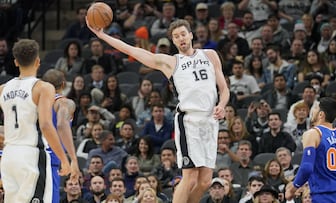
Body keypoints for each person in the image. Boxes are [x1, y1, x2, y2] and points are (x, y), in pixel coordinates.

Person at [86, 18, 229, 203]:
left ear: (191, 35)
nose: (181, 38)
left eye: (183, 34)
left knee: (205, 181)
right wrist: (102, 35)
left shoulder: (210, 55)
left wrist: (222, 106)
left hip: (210, 121)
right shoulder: (170, 62)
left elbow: (224, 89)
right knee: (190, 176)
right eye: (176, 37)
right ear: (173, 41)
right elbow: (132, 50)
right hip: (189, 121)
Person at [0, 39, 70, 202]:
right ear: (38, 61)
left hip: (9, 155)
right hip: (31, 154)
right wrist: (63, 158)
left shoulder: (3, 89)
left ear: (16, 62)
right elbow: (46, 125)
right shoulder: (43, 88)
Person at [285, 97, 336, 203]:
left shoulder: (313, 133)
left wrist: (292, 189)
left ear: (321, 114)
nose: (312, 112)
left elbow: (306, 168)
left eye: (315, 108)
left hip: (323, 195)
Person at [42, 69, 81, 203]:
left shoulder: (31, 103)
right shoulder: (64, 103)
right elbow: (61, 124)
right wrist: (73, 159)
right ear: (63, 84)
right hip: (48, 162)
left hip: (26, 160)